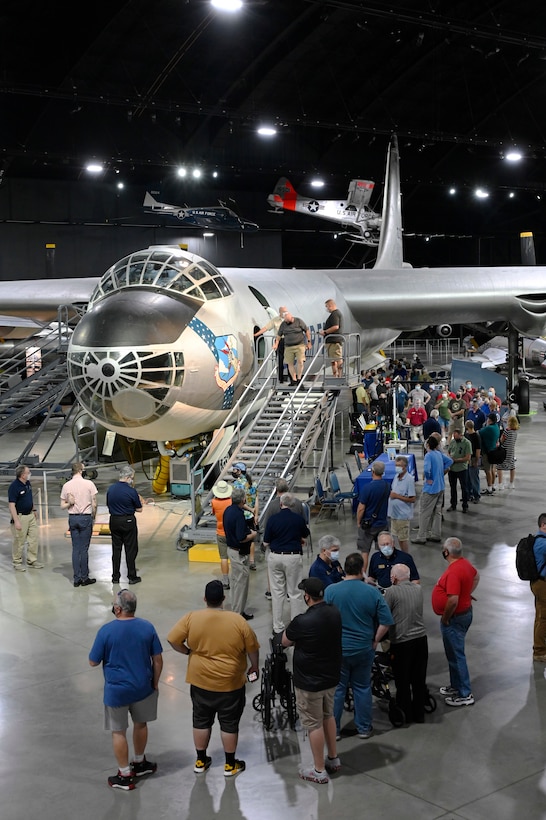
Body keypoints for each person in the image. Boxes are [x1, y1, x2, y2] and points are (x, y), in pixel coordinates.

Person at [167, 580, 260, 778]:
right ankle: (230, 764)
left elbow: (172, 639)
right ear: (223, 599)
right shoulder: (237, 621)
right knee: (229, 724)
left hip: (200, 682)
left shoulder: (191, 618)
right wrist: (254, 666)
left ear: (205, 599)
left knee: (201, 720)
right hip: (231, 684)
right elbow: (252, 648)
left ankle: (200, 760)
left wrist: (188, 652)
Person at [89, 589, 163, 790]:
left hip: (117, 692)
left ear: (118, 608)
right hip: (143, 687)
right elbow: (157, 659)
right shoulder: (147, 627)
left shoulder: (106, 631)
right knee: (141, 724)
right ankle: (139, 762)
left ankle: (124, 774)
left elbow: (93, 661)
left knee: (118, 731)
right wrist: (155, 683)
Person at [325, 552, 394, 740]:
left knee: (338, 690)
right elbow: (386, 621)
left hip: (339, 650)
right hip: (364, 648)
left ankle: (335, 731)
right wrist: (375, 641)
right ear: (362, 570)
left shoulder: (331, 591)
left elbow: (323, 619)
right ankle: (363, 728)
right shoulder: (372, 592)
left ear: (345, 568)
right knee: (362, 687)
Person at [282, 577, 342, 784]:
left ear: (307, 596)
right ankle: (333, 759)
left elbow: (284, 641)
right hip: (331, 677)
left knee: (313, 724)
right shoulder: (334, 612)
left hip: (309, 683)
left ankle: (318, 770)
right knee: (328, 715)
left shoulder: (302, 621)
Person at [431, 537, 479, 707]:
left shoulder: (453, 572)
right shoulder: (465, 564)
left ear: (446, 552)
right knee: (452, 653)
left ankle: (465, 693)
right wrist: (467, 593)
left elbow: (452, 601)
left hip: (455, 618)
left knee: (457, 655)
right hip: (465, 614)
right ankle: (456, 685)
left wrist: (445, 618)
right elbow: (476, 576)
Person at [384, 563, 429, 723]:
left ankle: (405, 712)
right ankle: (419, 713)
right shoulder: (418, 589)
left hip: (402, 642)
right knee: (418, 678)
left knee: (402, 680)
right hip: (421, 640)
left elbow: (385, 615)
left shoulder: (391, 591)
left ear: (394, 577)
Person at [263, 493, 309, 638]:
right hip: (293, 557)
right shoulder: (298, 519)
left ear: (280, 503)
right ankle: (295, 625)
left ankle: (277, 626)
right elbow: (305, 535)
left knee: (277, 593)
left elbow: (266, 542)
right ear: (293, 504)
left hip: (276, 556)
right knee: (294, 592)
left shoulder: (272, 520)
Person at [60, 461, 98, 587]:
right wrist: (94, 516)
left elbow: (62, 506)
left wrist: (70, 503)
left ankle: (76, 579)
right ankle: (85, 577)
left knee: (75, 549)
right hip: (85, 517)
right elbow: (94, 503)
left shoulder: (66, 486)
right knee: (84, 549)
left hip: (73, 518)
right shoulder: (89, 484)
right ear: (81, 470)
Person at [223, 487, 257, 620]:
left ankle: (238, 610)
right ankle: (237, 614)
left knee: (236, 583)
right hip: (239, 553)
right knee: (241, 584)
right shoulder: (238, 514)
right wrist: (252, 534)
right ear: (243, 499)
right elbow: (241, 537)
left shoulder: (228, 511)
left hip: (231, 550)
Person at [106, 465, 143, 584]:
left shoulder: (111, 489)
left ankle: (115, 576)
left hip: (114, 520)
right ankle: (131, 576)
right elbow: (139, 509)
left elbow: (108, 504)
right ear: (127, 477)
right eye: (132, 477)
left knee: (116, 550)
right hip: (128, 521)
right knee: (130, 549)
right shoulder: (131, 491)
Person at [412, 436, 453, 545]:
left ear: (428, 445)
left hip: (431, 489)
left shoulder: (429, 455)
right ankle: (436, 534)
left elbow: (427, 469)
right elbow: (450, 461)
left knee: (424, 512)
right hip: (440, 487)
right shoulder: (439, 454)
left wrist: (429, 478)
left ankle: (421, 536)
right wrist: (442, 471)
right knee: (437, 512)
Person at [356, 460, 391, 571]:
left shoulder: (367, 488)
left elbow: (361, 508)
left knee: (365, 551)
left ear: (373, 472)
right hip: (382, 523)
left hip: (368, 525)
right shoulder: (387, 486)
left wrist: (358, 521)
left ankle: (364, 574)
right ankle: (383, 572)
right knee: (383, 551)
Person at [8, 463, 43, 571]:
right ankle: (17, 562)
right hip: (20, 517)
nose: (29, 474)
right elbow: (11, 505)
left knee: (33, 538)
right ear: (22, 475)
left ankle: (32, 560)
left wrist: (34, 509)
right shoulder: (14, 487)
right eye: (28, 473)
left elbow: (29, 498)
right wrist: (16, 521)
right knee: (19, 541)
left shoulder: (27, 483)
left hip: (30, 515)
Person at [231, 462, 258, 570]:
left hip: (242, 515)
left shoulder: (237, 485)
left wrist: (249, 509)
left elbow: (240, 502)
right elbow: (256, 499)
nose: (233, 471)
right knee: (251, 539)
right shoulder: (253, 483)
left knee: (241, 538)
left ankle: (242, 558)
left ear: (239, 471)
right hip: (251, 516)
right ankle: (252, 560)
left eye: (234, 470)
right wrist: (255, 513)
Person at [274, 311, 312, 385]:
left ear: (291, 318)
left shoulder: (299, 321)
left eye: (287, 321)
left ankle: (299, 378)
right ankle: (294, 379)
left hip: (299, 345)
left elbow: (306, 330)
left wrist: (309, 342)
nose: (286, 322)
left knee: (300, 362)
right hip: (288, 347)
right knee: (289, 363)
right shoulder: (283, 324)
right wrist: (276, 344)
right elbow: (279, 336)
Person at [387, 455, 416, 551]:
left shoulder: (409, 480)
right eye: (396, 465)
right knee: (395, 538)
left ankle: (405, 558)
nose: (397, 467)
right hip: (394, 514)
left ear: (405, 467)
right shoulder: (396, 477)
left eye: (399, 466)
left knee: (402, 539)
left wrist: (397, 496)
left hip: (402, 515)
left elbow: (412, 499)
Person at [254, 305, 287, 383]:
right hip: (279, 341)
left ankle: (292, 379)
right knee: (280, 360)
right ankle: (281, 379)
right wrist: (256, 334)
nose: (286, 313)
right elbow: (266, 328)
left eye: (286, 311)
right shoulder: (275, 320)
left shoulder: (289, 319)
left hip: (288, 340)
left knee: (290, 360)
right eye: (284, 311)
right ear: (280, 312)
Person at [211, 479, 233, 589]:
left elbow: (213, 512)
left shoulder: (214, 502)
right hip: (232, 532)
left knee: (224, 557)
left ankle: (225, 580)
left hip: (220, 532)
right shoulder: (231, 502)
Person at [447, 428, 472, 513]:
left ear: (461, 435)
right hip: (452, 469)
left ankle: (465, 505)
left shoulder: (467, 443)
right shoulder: (453, 442)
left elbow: (468, 457)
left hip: (462, 469)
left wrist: (456, 460)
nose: (455, 438)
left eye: (456, 436)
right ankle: (453, 504)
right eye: (454, 436)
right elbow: (449, 451)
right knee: (452, 488)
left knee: (464, 488)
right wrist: (449, 458)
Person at [319, 298, 343, 377]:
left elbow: (335, 327)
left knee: (337, 359)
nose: (327, 309)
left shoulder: (335, 314)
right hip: (332, 341)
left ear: (330, 306)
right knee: (333, 360)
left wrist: (325, 332)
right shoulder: (336, 314)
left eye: (327, 307)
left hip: (334, 341)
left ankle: (338, 375)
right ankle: (335, 375)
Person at [478, 412, 501, 495]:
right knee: (492, 469)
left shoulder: (488, 428)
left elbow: (479, 432)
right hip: (494, 450)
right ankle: (492, 485)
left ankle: (489, 488)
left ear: (490, 420)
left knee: (487, 470)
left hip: (487, 452)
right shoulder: (496, 427)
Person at [497, 415, 519, 490]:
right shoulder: (515, 431)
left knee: (499, 467)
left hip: (504, 451)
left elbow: (502, 440)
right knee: (512, 467)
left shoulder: (507, 431)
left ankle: (500, 485)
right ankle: (511, 483)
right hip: (511, 451)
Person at [464, 419, 482, 503]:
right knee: (467, 478)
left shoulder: (476, 436)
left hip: (474, 458)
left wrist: (476, 461)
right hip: (467, 459)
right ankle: (469, 494)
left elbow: (478, 450)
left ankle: (476, 495)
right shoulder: (467, 435)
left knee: (474, 478)